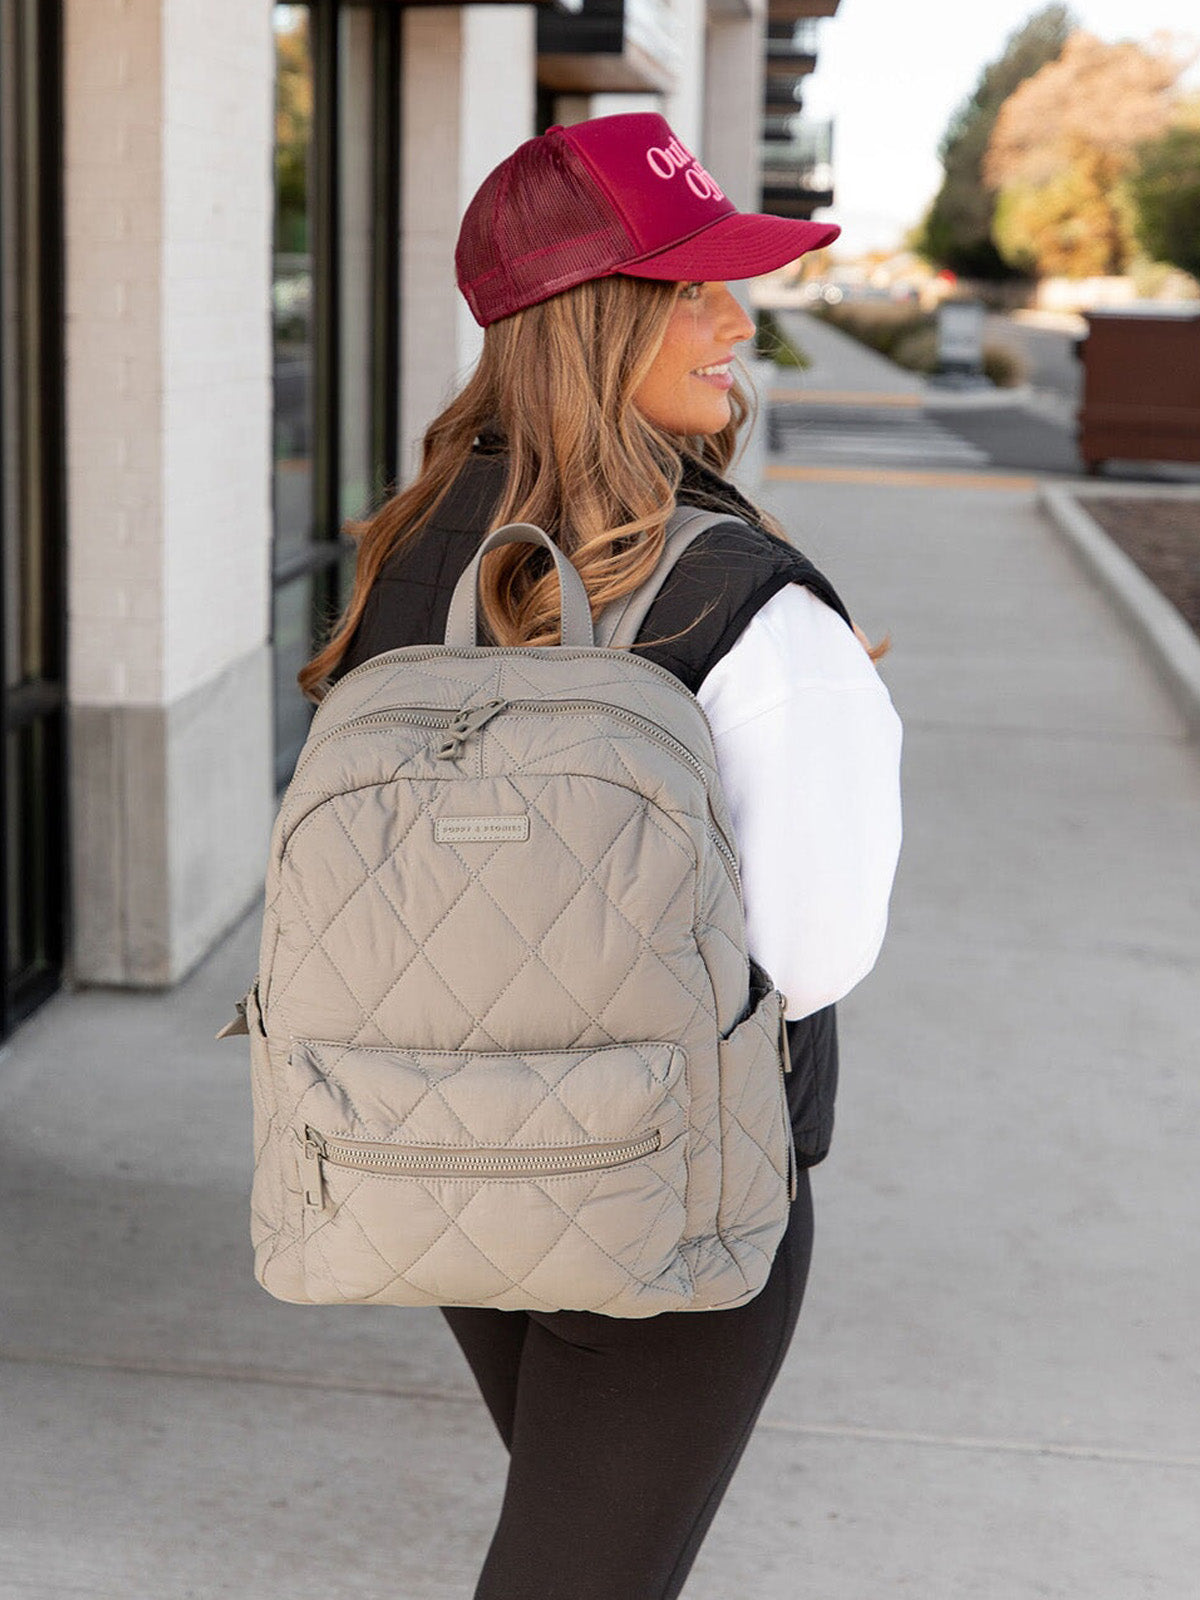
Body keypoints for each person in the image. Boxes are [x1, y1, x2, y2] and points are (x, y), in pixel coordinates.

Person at [300, 112, 902, 1600]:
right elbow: (817, 951)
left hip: (434, 1156)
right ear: (597, 314)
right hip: (668, 1197)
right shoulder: (750, 608)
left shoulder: (417, 542)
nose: (735, 322)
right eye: (692, 289)